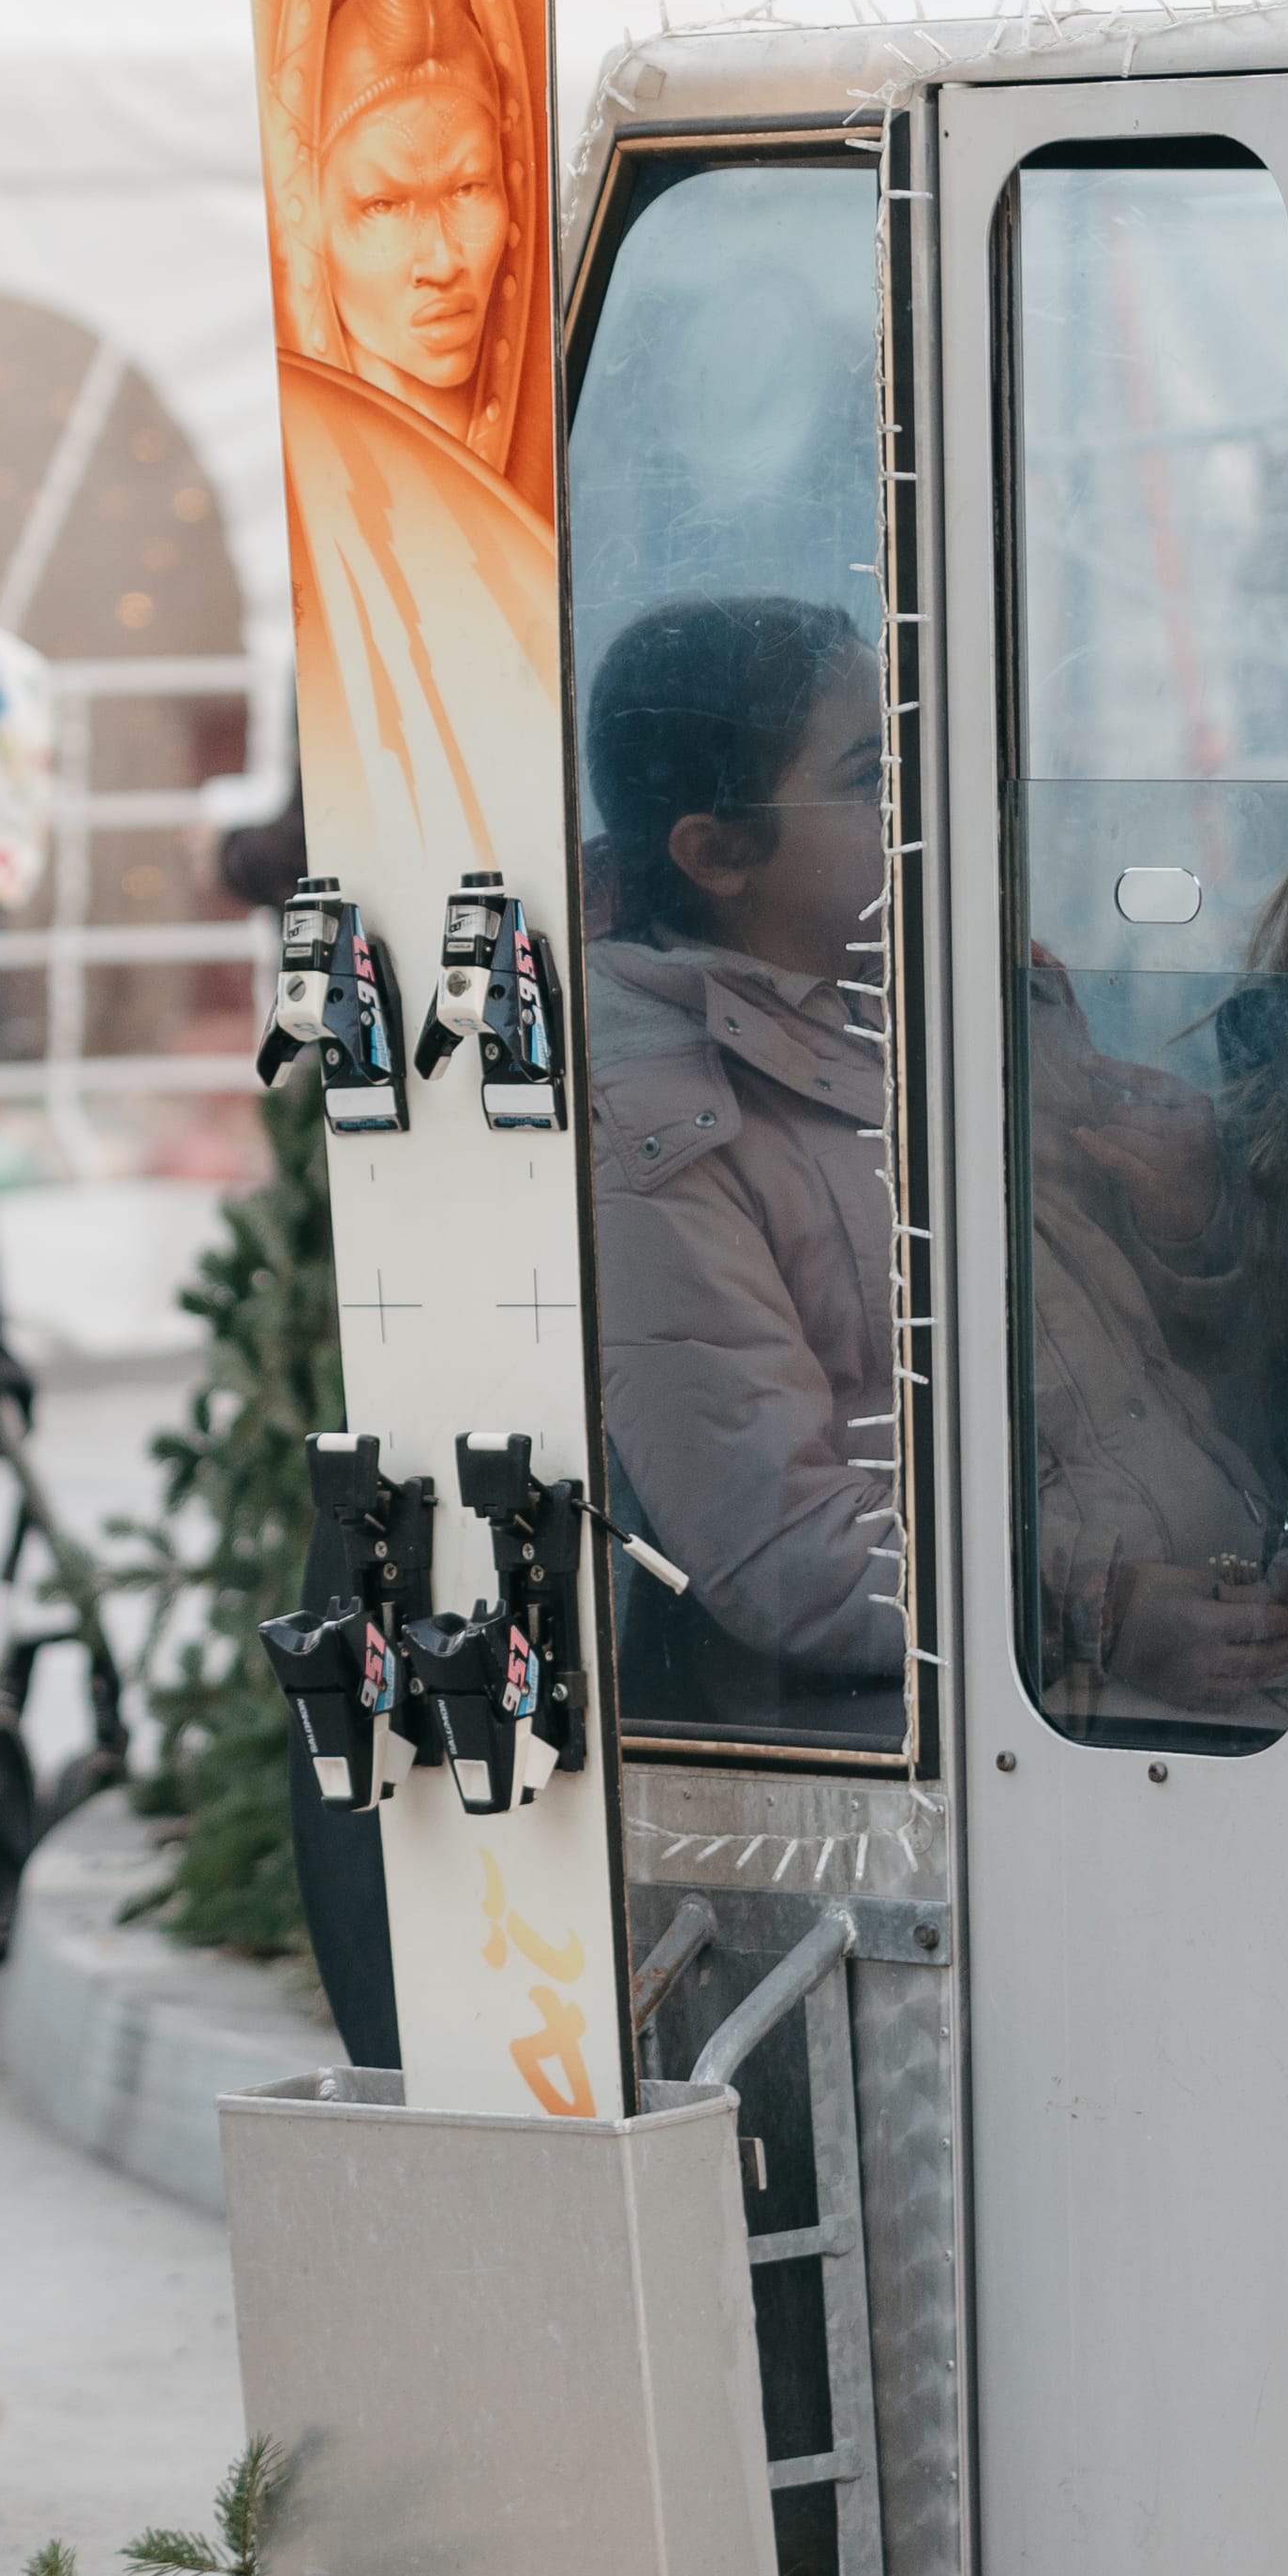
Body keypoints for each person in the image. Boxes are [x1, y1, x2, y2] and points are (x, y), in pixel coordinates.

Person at [578, 597, 903, 1740]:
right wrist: (1092, 1605)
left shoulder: (932, 989)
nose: (919, 803)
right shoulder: (652, 1124)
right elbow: (784, 1546)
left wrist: (1192, 1214)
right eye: (872, 775)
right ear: (718, 854)